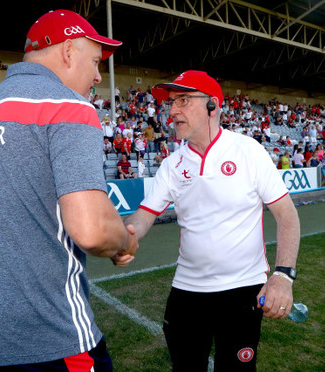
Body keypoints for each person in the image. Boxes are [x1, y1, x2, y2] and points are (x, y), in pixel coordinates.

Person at [0, 9, 138, 371]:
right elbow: (93, 231)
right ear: (69, 52)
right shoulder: (68, 106)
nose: (99, 76)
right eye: (96, 61)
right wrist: (125, 243)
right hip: (46, 337)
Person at [125, 70, 300, 371]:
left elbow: (287, 215)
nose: (171, 110)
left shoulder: (248, 151)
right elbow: (143, 216)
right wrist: (124, 238)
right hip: (187, 292)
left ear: (212, 106)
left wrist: (283, 276)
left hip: (244, 291)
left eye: (182, 100)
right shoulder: (171, 165)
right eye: (170, 102)